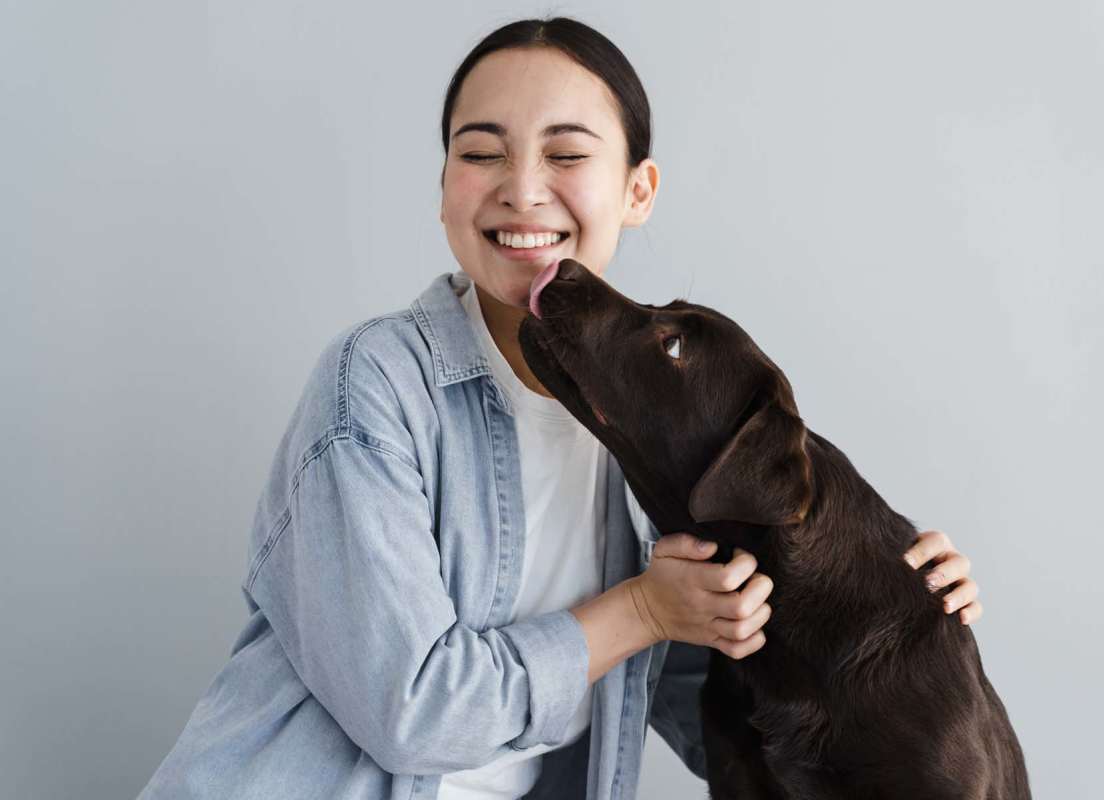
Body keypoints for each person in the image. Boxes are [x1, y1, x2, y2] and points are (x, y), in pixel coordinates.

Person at [136, 16, 983, 800]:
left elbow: (719, 714)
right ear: (442, 191)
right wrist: (645, 609)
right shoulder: (376, 385)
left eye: (567, 155)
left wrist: (888, 608)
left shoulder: (662, 436)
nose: (522, 189)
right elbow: (414, 710)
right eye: (482, 153)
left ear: (638, 190)